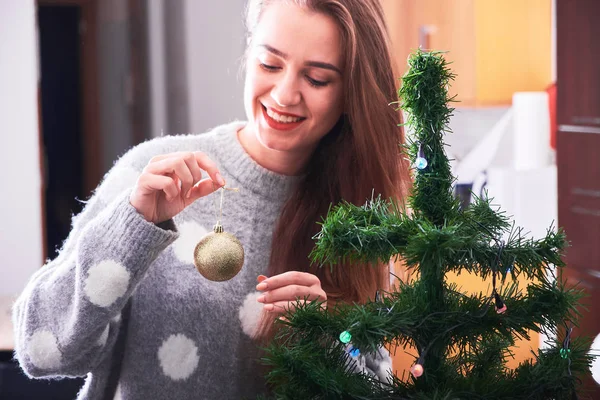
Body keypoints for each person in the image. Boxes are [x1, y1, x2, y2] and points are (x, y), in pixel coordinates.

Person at [13, 0, 411, 398]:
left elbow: (375, 386)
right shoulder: (150, 176)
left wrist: (327, 336)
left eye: (318, 79)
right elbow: (40, 350)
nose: (286, 94)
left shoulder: (362, 218)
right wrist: (130, 226)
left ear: (351, 92)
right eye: (270, 65)